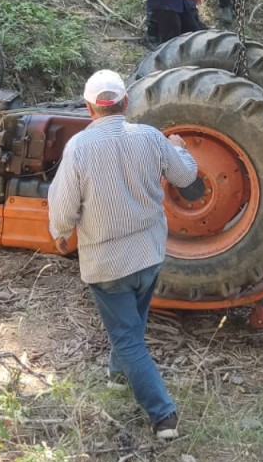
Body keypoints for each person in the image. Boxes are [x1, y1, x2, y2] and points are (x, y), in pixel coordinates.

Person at [48, 69, 200, 441]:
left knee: (128, 336)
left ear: (88, 109)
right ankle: (119, 375)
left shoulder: (80, 148)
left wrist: (60, 233)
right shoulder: (149, 137)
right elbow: (184, 177)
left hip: (108, 262)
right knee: (133, 321)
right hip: (149, 254)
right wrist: (180, 149)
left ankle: (163, 416)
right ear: (126, 103)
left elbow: (63, 205)